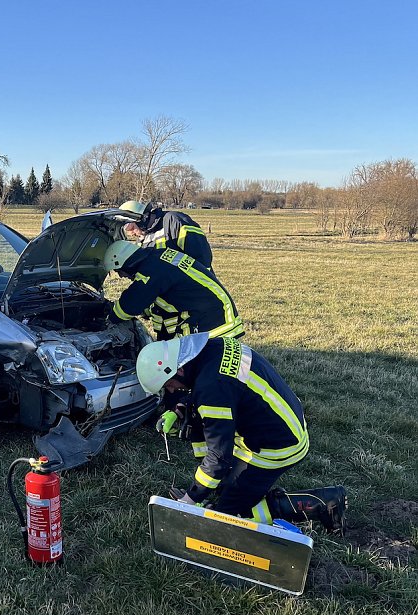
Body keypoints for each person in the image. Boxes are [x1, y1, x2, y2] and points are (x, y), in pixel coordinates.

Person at [136, 333, 347, 532]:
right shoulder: (213, 348)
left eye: (169, 384)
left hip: (275, 448)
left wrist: (190, 499)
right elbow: (223, 389)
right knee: (223, 490)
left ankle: (324, 503)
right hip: (282, 424)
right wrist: (182, 408)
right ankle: (240, 493)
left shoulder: (211, 388)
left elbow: (219, 456)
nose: (172, 390)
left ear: (177, 369)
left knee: (226, 519)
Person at [103, 240, 244, 341]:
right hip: (217, 310)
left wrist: (111, 317)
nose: (121, 276)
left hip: (212, 323)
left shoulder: (150, 272)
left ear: (126, 265)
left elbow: (131, 304)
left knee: (196, 370)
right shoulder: (158, 256)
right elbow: (164, 294)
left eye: (118, 271)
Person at [119, 200, 213, 268]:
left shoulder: (175, 222)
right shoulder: (143, 237)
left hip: (190, 288)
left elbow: (203, 258)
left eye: (130, 227)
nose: (130, 233)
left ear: (141, 219)